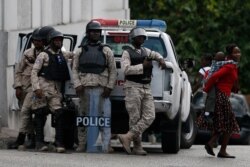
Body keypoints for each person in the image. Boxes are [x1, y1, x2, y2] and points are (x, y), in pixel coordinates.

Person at [117, 27, 167, 155]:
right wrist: (142, 67)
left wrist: (161, 59)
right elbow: (126, 70)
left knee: (150, 115)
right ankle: (137, 146)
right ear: (133, 39)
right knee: (134, 118)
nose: (142, 39)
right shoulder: (127, 53)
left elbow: (155, 54)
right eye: (139, 37)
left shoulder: (146, 51)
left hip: (146, 87)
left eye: (143, 37)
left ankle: (128, 136)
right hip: (132, 86)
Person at [72, 20, 117, 153]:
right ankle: (82, 144)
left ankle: (106, 144)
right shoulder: (80, 50)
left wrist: (109, 87)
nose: (95, 34)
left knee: (104, 118)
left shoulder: (106, 50)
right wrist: (77, 84)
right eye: (93, 31)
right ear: (87, 33)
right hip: (84, 89)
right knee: (83, 117)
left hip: (101, 89)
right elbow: (74, 69)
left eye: (97, 31)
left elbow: (113, 70)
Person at [31, 29, 73, 153]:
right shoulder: (43, 55)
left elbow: (72, 55)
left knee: (59, 113)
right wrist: (37, 88)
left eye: (60, 40)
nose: (59, 42)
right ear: (50, 41)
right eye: (56, 40)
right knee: (39, 114)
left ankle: (59, 142)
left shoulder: (61, 55)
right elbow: (34, 72)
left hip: (55, 91)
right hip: (43, 89)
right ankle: (39, 142)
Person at [197, 43, 241, 158]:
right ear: (230, 54)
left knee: (223, 122)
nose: (238, 54)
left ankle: (212, 143)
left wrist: (235, 87)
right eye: (236, 52)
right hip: (221, 96)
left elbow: (231, 80)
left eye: (239, 52)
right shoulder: (228, 66)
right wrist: (206, 90)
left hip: (223, 95)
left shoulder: (232, 65)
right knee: (229, 124)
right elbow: (213, 77)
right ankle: (221, 150)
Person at [8, 28, 45, 149]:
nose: (36, 43)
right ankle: (31, 137)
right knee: (26, 113)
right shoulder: (28, 53)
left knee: (27, 111)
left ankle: (21, 138)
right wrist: (18, 86)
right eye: (34, 40)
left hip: (38, 88)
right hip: (25, 86)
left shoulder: (47, 54)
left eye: (39, 40)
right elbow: (18, 71)